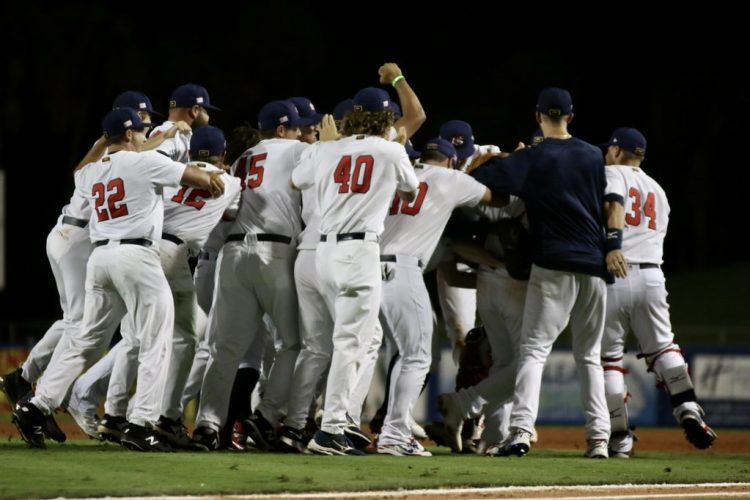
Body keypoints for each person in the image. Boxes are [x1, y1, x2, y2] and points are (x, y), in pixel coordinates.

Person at [11, 108, 224, 451]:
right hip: (136, 256)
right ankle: (141, 423)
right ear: (128, 135)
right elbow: (201, 180)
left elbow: (78, 171)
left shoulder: (94, 170)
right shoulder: (143, 162)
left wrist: (102, 143)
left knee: (86, 341)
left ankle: (38, 406)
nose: (146, 134)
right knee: (156, 337)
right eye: (141, 130)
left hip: (100, 259)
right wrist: (212, 177)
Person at [469, 88, 611, 459]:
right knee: (590, 356)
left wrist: (507, 157)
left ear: (537, 117)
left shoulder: (534, 157)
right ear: (571, 115)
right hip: (594, 264)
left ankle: (519, 433)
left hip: (554, 263)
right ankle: (600, 439)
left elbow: (482, 177)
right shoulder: (593, 155)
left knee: (533, 352)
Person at [292, 87, 419, 456]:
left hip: (324, 252)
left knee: (361, 337)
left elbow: (295, 180)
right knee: (350, 341)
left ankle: (340, 419)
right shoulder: (391, 150)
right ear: (384, 118)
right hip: (359, 250)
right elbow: (410, 192)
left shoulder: (327, 147)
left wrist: (327, 148)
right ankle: (332, 426)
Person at [191, 100, 311, 450]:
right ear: (281, 128)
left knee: (223, 350)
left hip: (233, 254)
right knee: (293, 342)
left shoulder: (243, 157)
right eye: (298, 125)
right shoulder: (298, 150)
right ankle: (267, 414)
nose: (304, 130)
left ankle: (207, 426)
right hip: (275, 252)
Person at [375, 138, 499, 456]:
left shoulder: (396, 173)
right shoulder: (451, 178)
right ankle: (394, 432)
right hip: (401, 269)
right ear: (450, 160)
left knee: (367, 352)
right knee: (417, 356)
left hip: (364, 265)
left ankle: (341, 425)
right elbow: (495, 199)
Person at [601, 127, 717, 456]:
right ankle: (689, 409)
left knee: (608, 360)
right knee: (664, 347)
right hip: (652, 274)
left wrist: (613, 244)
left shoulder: (612, 174)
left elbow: (614, 206)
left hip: (614, 270)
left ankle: (620, 437)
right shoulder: (659, 190)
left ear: (615, 150)